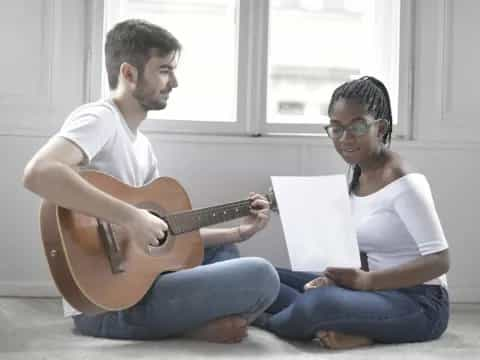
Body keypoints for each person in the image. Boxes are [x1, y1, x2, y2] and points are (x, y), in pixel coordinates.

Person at [23, 19, 279, 343]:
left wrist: (238, 231)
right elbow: (39, 172)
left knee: (226, 250)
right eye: (164, 70)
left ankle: (189, 323)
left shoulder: (142, 146)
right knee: (261, 276)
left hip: (139, 283)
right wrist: (131, 216)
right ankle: (186, 324)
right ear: (129, 74)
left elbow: (165, 235)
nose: (174, 82)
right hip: (105, 305)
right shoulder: (99, 118)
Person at [258, 76, 450, 349]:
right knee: (263, 276)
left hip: (420, 303)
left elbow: (440, 261)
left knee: (319, 304)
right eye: (336, 128)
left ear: (380, 128)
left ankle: (260, 319)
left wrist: (368, 281)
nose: (345, 138)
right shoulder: (358, 177)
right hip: (372, 292)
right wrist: (334, 278)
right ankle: (344, 327)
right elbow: (364, 252)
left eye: (357, 126)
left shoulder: (405, 182)